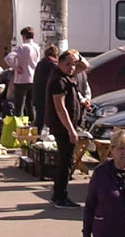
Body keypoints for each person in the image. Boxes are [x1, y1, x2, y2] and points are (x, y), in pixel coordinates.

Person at [46, 49, 89, 207]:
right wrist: (71, 130)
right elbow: (60, 108)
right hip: (63, 126)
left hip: (68, 123)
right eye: (68, 64)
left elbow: (85, 65)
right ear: (59, 63)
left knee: (66, 160)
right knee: (66, 161)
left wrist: (77, 56)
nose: (72, 67)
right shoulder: (59, 80)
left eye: (73, 64)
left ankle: (58, 194)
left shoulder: (67, 75)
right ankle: (60, 196)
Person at [5, 27, 41, 118]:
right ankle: (32, 124)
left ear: (24, 36)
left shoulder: (21, 47)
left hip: (21, 79)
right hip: (33, 78)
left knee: (19, 106)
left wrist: (16, 67)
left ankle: (19, 125)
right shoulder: (37, 47)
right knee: (30, 104)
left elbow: (8, 58)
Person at [32, 44, 59, 129]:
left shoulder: (40, 64)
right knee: (53, 119)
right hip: (49, 95)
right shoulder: (55, 65)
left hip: (38, 94)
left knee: (39, 118)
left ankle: (36, 137)